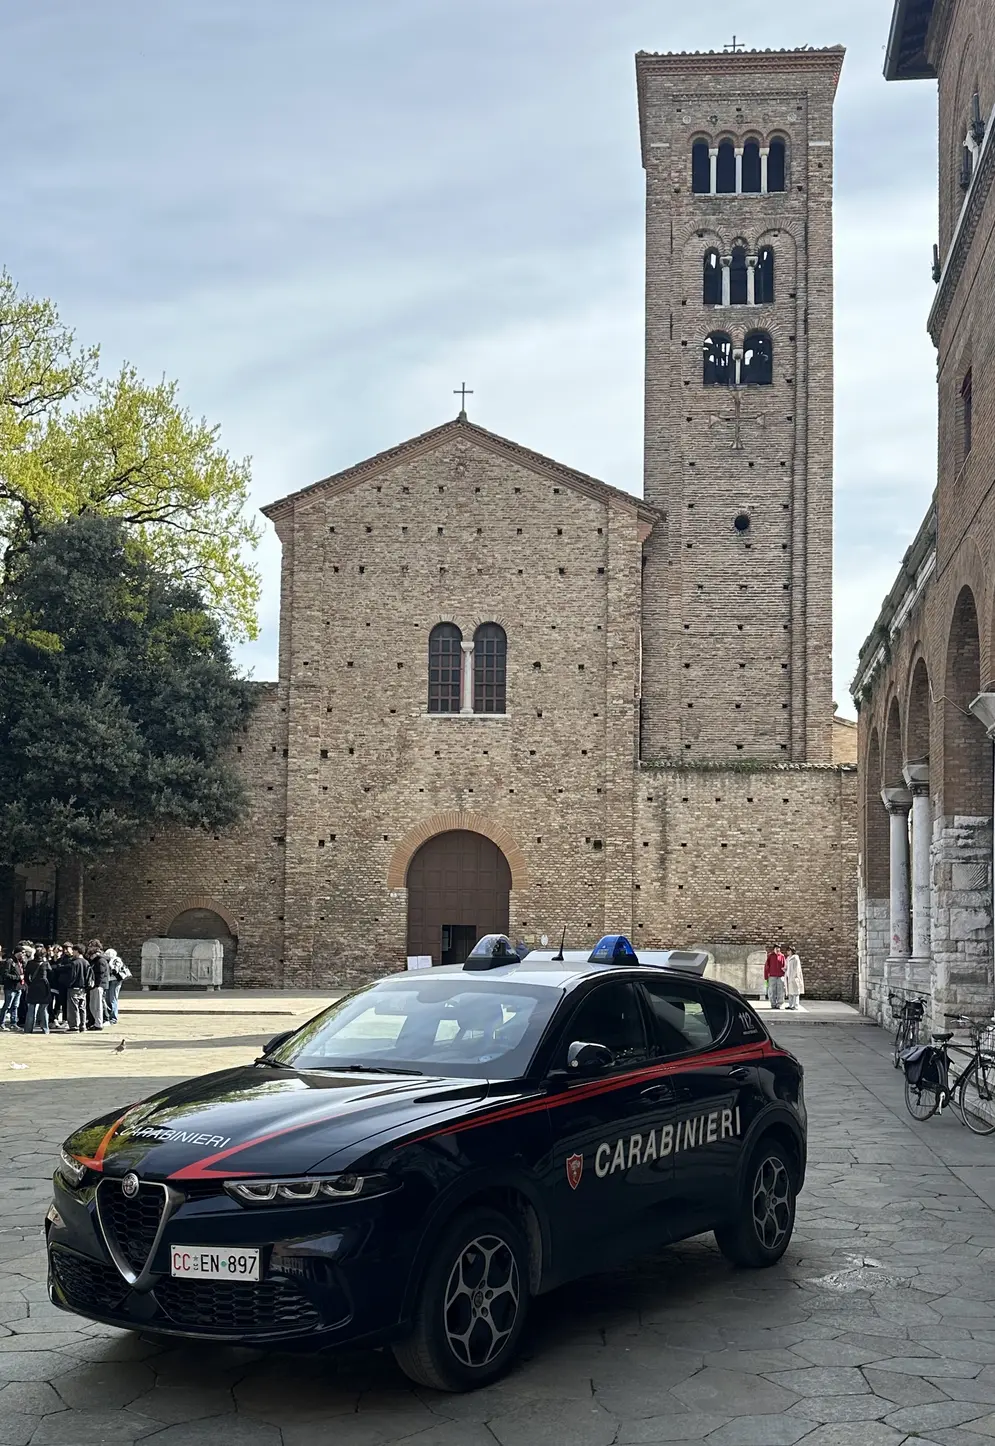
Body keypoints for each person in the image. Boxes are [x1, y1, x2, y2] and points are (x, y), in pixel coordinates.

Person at [85, 940, 110, 1031]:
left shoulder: (100, 960)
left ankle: (98, 1023)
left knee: (98, 1005)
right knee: (93, 1005)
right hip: (95, 985)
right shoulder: (94, 960)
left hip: (98, 986)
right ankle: (94, 1021)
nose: (89, 948)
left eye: (90, 946)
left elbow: (100, 974)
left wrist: (96, 985)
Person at [24, 952, 50, 1033]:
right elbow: (51, 974)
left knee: (31, 1008)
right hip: (44, 987)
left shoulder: (30, 963)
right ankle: (45, 1029)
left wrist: (29, 984)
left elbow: (26, 976)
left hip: (33, 986)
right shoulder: (46, 964)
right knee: (44, 1009)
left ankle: (28, 1029)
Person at [65, 946, 89, 1034]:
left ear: (77, 951)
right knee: (82, 1007)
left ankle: (74, 1026)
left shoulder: (74, 963)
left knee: (73, 1007)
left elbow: (72, 976)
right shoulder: (86, 962)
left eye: (74, 951)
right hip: (83, 988)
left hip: (74, 987)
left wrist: (68, 984)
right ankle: (83, 1025)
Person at [103, 947, 130, 1025]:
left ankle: (113, 1018)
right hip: (109, 980)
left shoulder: (116, 960)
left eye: (107, 955)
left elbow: (115, 970)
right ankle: (108, 1016)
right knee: (107, 999)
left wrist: (111, 963)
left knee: (113, 999)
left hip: (115, 981)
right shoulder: (106, 960)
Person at [0, 951, 25, 1031]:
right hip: (10, 987)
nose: (23, 954)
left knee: (15, 1006)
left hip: (18, 987)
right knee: (7, 1006)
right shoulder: (10, 961)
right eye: (22, 952)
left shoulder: (20, 962)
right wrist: (18, 978)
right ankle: (1, 1023)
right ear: (18, 953)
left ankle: (13, 1023)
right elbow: (5, 974)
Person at [764, 943, 787, 1011]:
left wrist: (784, 972)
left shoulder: (782, 956)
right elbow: (766, 966)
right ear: (774, 949)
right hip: (772, 976)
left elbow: (785, 966)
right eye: (776, 948)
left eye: (779, 948)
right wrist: (766, 976)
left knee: (780, 990)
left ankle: (779, 1004)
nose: (777, 949)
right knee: (772, 990)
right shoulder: (770, 956)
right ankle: (773, 1003)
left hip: (780, 976)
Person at [785, 946, 805, 1011]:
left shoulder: (795, 958)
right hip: (789, 977)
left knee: (795, 992)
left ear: (792, 951)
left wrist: (793, 977)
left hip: (794, 978)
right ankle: (790, 1005)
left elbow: (797, 969)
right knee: (790, 992)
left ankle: (796, 1006)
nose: (787, 952)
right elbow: (787, 967)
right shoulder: (788, 958)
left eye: (789, 950)